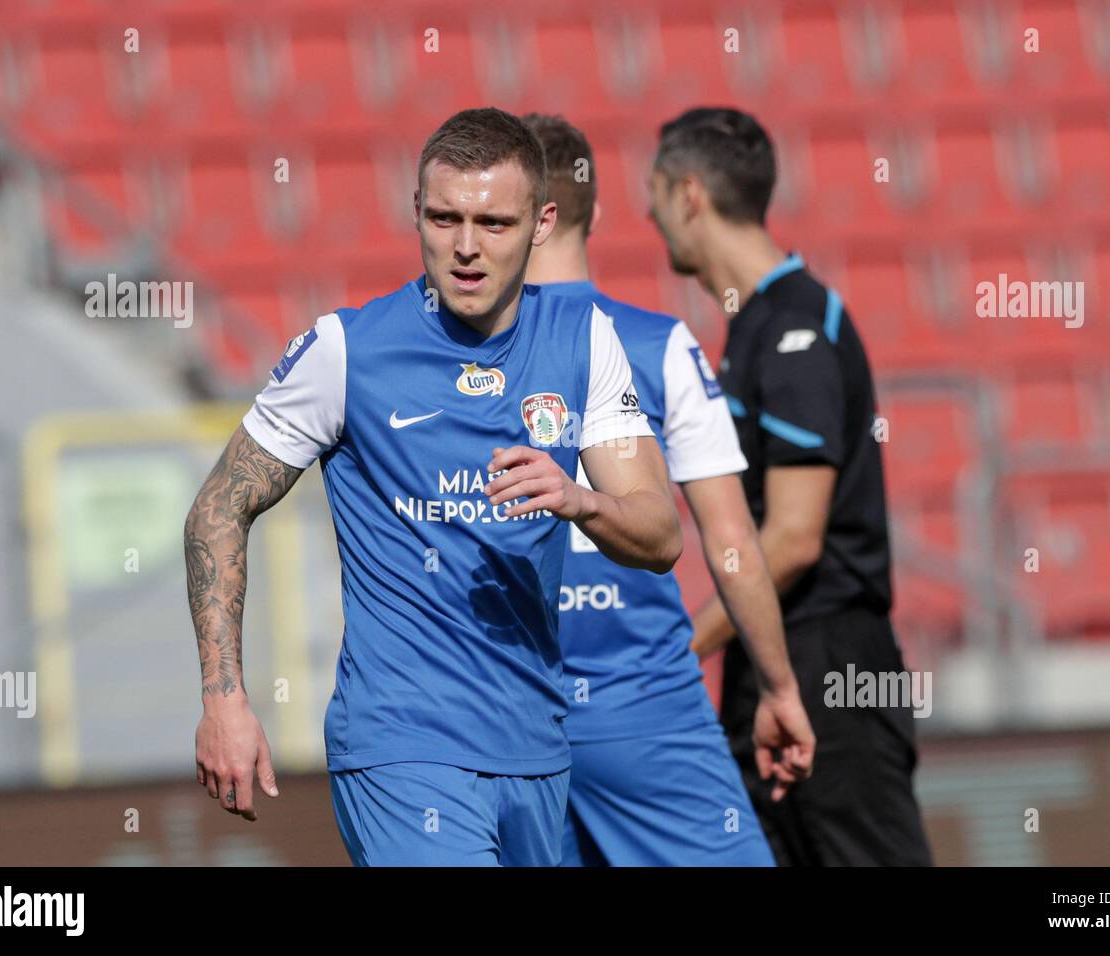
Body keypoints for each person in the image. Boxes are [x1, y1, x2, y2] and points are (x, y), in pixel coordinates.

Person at [184, 107, 683, 867]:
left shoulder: (583, 342)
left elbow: (661, 534)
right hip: (401, 746)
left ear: (543, 223)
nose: (467, 247)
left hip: (536, 745)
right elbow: (219, 506)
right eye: (445, 217)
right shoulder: (346, 351)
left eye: (494, 222)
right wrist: (224, 697)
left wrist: (581, 498)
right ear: (415, 210)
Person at [520, 113, 815, 866]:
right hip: (642, 706)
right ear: (593, 213)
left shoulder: (460, 360)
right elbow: (732, 541)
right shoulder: (658, 344)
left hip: (510, 717)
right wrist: (778, 687)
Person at [648, 107, 933, 866]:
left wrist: (677, 646)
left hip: (832, 661)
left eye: (654, 193)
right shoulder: (754, 327)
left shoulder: (798, 327)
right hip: (773, 652)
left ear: (687, 195)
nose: (647, 214)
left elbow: (796, 537)